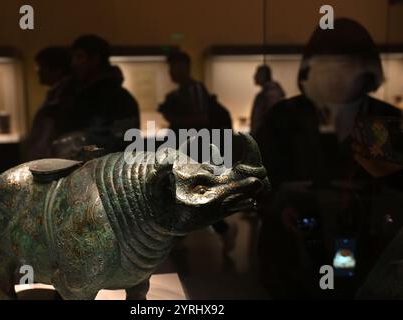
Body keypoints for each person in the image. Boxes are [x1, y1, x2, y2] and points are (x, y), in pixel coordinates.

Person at [257, 18, 403, 299]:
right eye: (327, 66)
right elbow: (257, 178)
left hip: (370, 254)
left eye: (347, 66)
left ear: (367, 69)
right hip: (292, 256)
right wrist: (278, 205)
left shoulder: (389, 121)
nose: (337, 76)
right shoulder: (282, 117)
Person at [159, 51, 237, 253]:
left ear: (184, 66)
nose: (171, 72)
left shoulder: (193, 89)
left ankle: (223, 230)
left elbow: (201, 120)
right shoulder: (186, 90)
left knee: (198, 196)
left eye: (174, 66)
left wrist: (173, 117)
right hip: (193, 152)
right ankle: (186, 236)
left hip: (197, 153)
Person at [52, 34, 140, 158]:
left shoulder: (119, 98)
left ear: (95, 59)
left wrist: (82, 143)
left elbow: (122, 143)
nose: (74, 64)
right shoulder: (71, 93)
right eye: (73, 57)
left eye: (79, 57)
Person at [27, 46, 71, 160]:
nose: (38, 71)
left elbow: (48, 136)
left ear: (57, 69)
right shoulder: (57, 94)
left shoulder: (64, 95)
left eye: (41, 67)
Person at [250, 65, 285, 135]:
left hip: (266, 137)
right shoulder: (267, 94)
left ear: (263, 75)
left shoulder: (271, 94)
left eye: (257, 73)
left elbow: (272, 119)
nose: (254, 76)